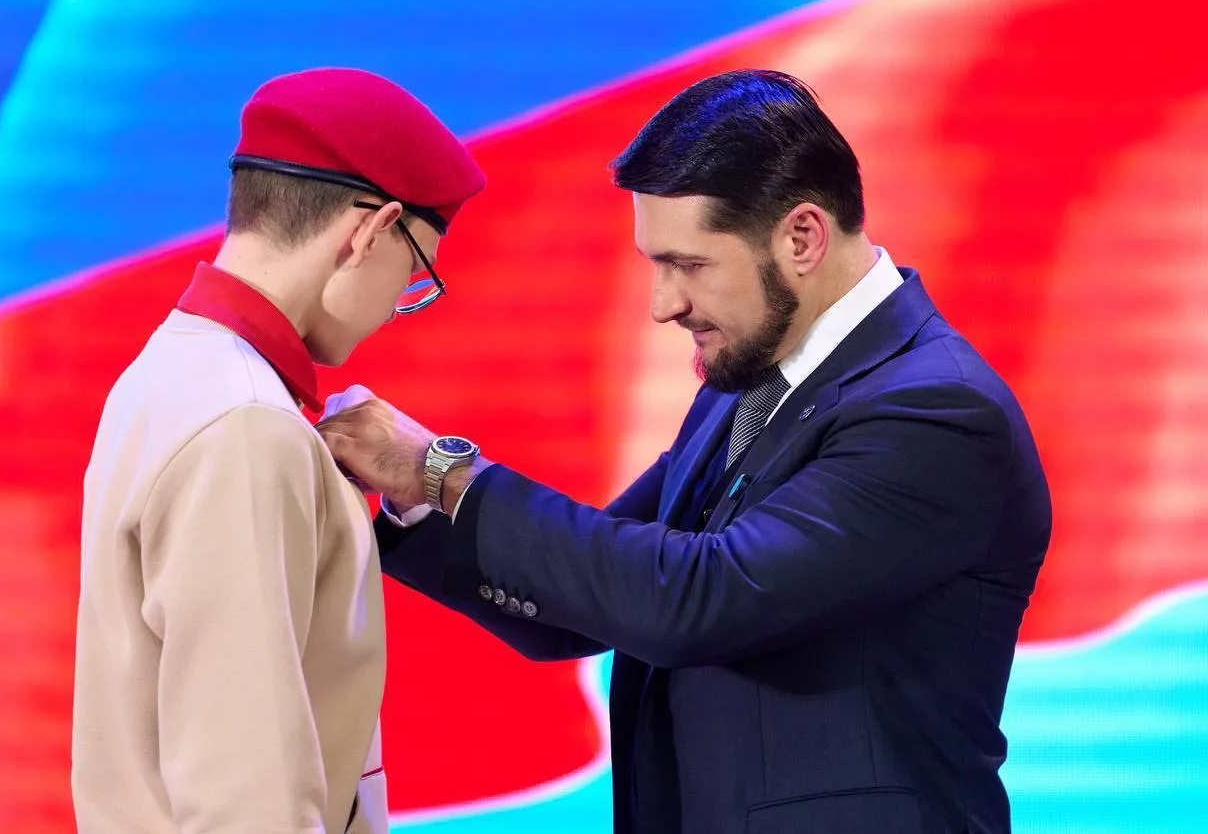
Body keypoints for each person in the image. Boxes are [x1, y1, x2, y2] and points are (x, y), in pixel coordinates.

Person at [318, 69, 1050, 834]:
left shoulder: (934, 410)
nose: (663, 303)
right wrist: (412, 498)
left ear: (802, 237)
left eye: (689, 264)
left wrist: (442, 469)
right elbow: (589, 602)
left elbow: (698, 599)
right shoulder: (748, 385)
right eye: (655, 264)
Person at [72, 67, 485, 833]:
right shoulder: (247, 424)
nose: (398, 308)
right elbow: (247, 799)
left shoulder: (167, 370)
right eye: (414, 270)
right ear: (371, 230)